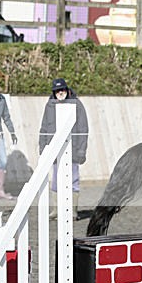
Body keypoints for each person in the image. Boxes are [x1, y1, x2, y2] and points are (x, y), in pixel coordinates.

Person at [38, 78, 88, 220]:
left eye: (62, 90)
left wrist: (81, 150)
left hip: (72, 148)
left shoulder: (77, 104)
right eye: (57, 91)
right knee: (55, 180)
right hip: (54, 147)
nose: (60, 93)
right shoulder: (49, 105)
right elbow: (44, 128)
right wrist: (42, 147)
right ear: (54, 92)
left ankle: (72, 211)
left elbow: (83, 128)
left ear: (67, 90)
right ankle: (56, 210)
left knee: (73, 179)